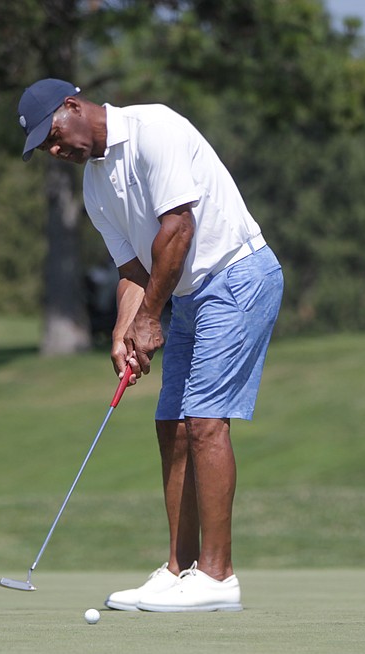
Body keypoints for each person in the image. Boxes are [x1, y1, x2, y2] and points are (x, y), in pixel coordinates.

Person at [17, 78, 284, 612]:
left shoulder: (153, 129)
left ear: (73, 106)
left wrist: (150, 318)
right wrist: (125, 329)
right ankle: (180, 568)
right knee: (171, 425)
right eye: (45, 147)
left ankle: (218, 576)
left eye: (52, 135)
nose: (54, 150)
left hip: (236, 275)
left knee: (206, 421)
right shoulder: (95, 186)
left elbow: (177, 230)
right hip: (184, 293)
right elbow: (134, 270)